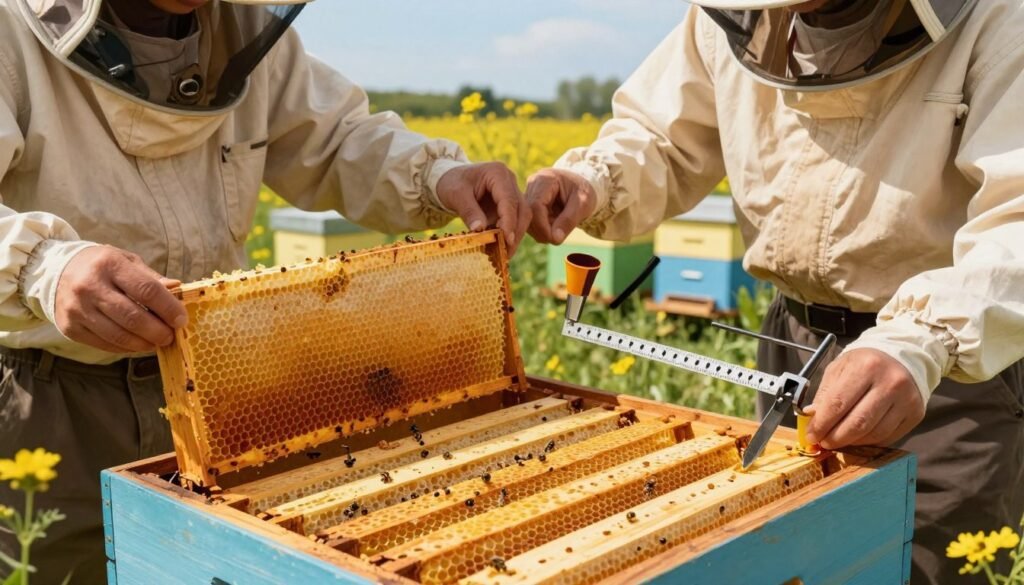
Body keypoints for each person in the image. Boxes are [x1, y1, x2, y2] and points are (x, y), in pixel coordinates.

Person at [0, 0, 530, 582]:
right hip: (50, 402)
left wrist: (438, 175)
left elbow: (336, 137)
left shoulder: (242, 29)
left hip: (220, 394)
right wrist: (39, 268)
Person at [526, 0, 1023, 582]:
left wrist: (922, 341)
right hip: (792, 343)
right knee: (795, 561)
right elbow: (661, 133)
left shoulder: (1000, 17)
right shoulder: (732, 17)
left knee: (925, 565)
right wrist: (593, 179)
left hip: (944, 372)